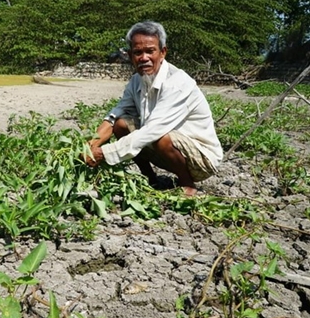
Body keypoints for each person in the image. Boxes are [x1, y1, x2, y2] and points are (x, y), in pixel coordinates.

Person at [85, 21, 223, 196]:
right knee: (121, 124)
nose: (144, 58)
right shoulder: (136, 81)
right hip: (166, 149)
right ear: (130, 55)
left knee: (160, 137)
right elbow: (115, 115)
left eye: (150, 51)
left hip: (201, 158)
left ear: (162, 52)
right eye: (138, 52)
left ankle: (187, 185)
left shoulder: (177, 83)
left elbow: (153, 130)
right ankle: (150, 178)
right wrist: (90, 146)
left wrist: (104, 153)